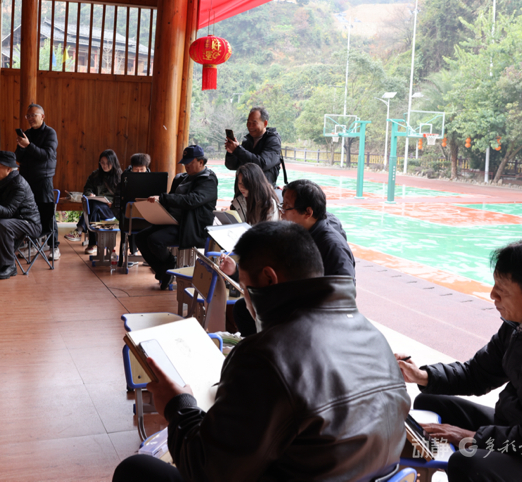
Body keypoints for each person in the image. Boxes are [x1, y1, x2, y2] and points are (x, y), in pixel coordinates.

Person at [113, 221, 410, 482]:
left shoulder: (267, 356)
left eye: (244, 287)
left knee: (136, 470)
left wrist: (178, 406)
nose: (245, 299)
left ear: (269, 279)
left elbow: (208, 471)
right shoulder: (372, 335)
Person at [397, 241, 522, 482]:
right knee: (430, 403)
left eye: (502, 290)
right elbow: (477, 374)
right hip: (521, 425)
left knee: (468, 462)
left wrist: (473, 438)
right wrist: (422, 376)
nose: (492, 295)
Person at [229, 178, 355, 336]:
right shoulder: (296, 235)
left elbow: (344, 296)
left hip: (314, 317)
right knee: (243, 308)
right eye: (282, 206)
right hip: (293, 301)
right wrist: (236, 271)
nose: (281, 213)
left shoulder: (333, 247)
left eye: (286, 207)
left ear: (308, 212)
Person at [135, 145, 218, 290]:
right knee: (140, 237)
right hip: (172, 221)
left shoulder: (208, 180)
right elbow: (171, 198)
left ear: (201, 162)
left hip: (191, 227)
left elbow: (191, 200)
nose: (186, 166)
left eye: (189, 162)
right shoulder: (181, 178)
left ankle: (168, 265)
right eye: (184, 163)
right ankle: (165, 268)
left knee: (155, 240)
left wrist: (163, 198)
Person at [0, 151, 42, 280]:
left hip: (29, 223)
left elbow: (8, 212)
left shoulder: (18, 184)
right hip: (13, 220)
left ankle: (9, 266)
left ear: (9, 169)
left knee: (2, 224)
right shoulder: (2, 182)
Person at [15, 103, 60, 261]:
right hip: (26, 180)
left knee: (47, 213)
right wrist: (21, 146)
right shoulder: (27, 133)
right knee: (29, 212)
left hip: (43, 179)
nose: (30, 118)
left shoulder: (50, 133)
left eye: (33, 115)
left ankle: (54, 246)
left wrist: (29, 146)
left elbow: (46, 155)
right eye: (28, 116)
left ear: (42, 116)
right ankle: (33, 244)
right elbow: (18, 158)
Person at [65, 149, 122, 255]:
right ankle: (92, 244)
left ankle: (80, 231)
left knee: (92, 206)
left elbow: (122, 196)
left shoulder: (119, 177)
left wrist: (113, 204)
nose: (104, 166)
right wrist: (90, 194)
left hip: (111, 209)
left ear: (113, 162)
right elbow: (87, 189)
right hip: (96, 206)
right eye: (102, 163)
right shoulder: (95, 175)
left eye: (108, 163)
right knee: (93, 206)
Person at [224, 107, 283, 187]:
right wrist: (231, 152)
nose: (250, 126)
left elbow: (262, 164)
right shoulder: (247, 140)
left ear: (265, 123)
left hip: (262, 191)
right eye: (248, 122)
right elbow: (232, 166)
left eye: (254, 123)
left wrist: (237, 149)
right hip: (243, 190)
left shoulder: (273, 141)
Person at [114, 153, 151, 258]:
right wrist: (119, 214)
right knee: (131, 218)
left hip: (148, 214)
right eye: (136, 169)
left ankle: (149, 255)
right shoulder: (125, 178)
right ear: (131, 168)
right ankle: (133, 253)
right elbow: (117, 198)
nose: (139, 172)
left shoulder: (152, 179)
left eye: (142, 169)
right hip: (129, 215)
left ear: (146, 168)